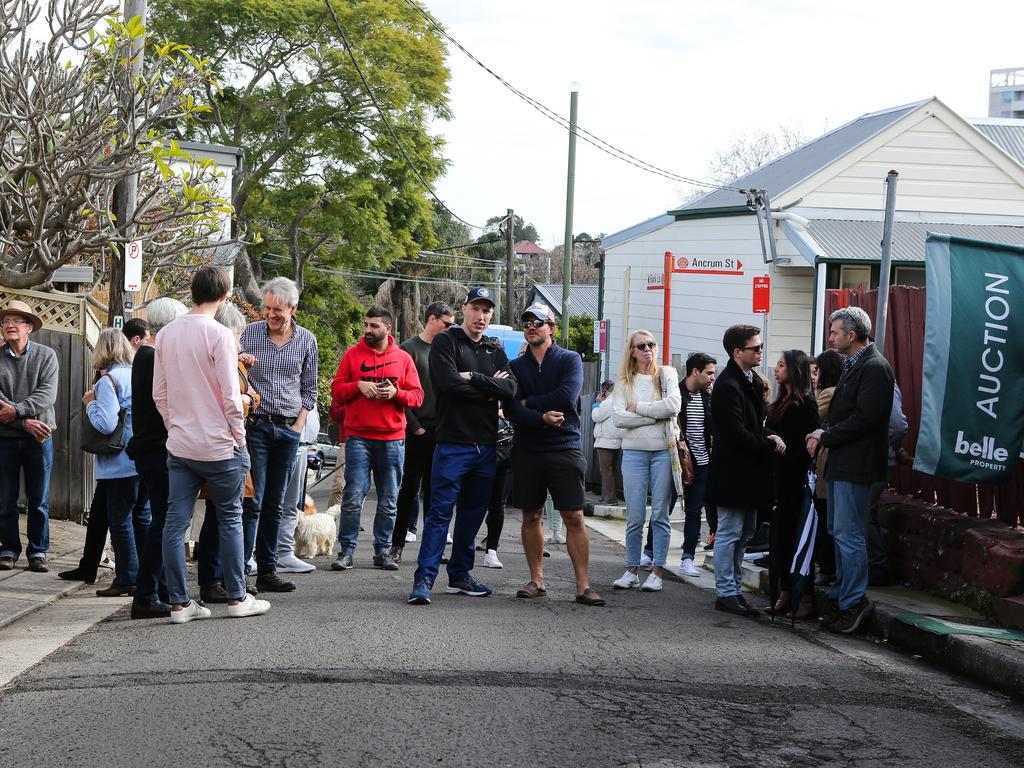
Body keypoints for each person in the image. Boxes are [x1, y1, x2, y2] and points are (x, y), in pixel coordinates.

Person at [155, 265, 269, 623]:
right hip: (220, 444)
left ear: (192, 292)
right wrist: (239, 439)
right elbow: (232, 397)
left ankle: (179, 603)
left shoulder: (166, 334)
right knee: (231, 518)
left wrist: (175, 426)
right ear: (224, 296)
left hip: (181, 444)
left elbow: (159, 394)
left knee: (175, 523)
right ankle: (237, 597)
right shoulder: (221, 334)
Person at [408, 287, 516, 605]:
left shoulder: (495, 349)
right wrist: (488, 388)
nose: (480, 316)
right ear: (464, 309)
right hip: (452, 443)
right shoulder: (447, 341)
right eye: (475, 309)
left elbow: (510, 388)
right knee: (440, 514)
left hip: (485, 446)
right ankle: (424, 579)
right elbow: (448, 384)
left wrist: (476, 379)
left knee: (472, 515)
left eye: (487, 311)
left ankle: (460, 575)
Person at [505, 303, 604, 606]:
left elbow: (566, 395)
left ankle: (583, 586)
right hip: (527, 449)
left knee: (573, 516)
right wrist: (539, 417)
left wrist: (526, 402)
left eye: (539, 322)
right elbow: (510, 409)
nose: (532, 326)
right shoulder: (515, 366)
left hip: (564, 448)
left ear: (552, 328)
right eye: (527, 322)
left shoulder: (570, 359)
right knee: (531, 514)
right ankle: (536, 580)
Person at [807, 306, 894, 634]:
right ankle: (843, 596)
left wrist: (825, 434)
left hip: (857, 465)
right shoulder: (853, 364)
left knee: (850, 533)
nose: (830, 337)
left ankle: (854, 602)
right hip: (842, 463)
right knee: (838, 531)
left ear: (852, 335)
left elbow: (866, 418)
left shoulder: (874, 368)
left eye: (835, 332)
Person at [240, 277, 319, 593]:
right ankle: (244, 569)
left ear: (293, 308)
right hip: (256, 426)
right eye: (267, 308)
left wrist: (299, 424)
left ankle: (268, 571)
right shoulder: (249, 334)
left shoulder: (307, 340)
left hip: (288, 429)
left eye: (278, 310)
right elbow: (234, 374)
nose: (271, 315)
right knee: (252, 501)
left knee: (275, 504)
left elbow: (309, 389)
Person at [330, 306, 423, 571]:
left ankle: (382, 552)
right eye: (366, 325)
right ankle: (345, 552)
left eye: (374, 326)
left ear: (387, 328)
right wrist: (357, 386)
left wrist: (396, 393)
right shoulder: (352, 355)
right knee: (352, 495)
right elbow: (336, 389)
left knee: (388, 499)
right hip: (358, 436)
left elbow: (418, 396)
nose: (368, 330)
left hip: (393, 438)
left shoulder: (403, 358)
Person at [709, 324, 786, 616]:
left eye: (761, 346)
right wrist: (767, 443)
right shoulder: (728, 384)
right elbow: (734, 433)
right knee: (729, 530)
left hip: (750, 471)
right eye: (755, 348)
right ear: (737, 352)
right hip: (732, 471)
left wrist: (766, 437)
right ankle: (725, 591)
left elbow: (754, 424)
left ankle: (734, 589)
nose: (760, 352)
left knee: (745, 532)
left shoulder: (751, 380)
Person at [194, 302, 269, 600]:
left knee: (223, 514)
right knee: (224, 515)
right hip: (227, 443)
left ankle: (220, 579)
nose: (240, 336)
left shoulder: (230, 358)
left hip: (224, 441)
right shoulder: (221, 358)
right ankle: (219, 581)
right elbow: (237, 401)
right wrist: (250, 398)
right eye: (238, 331)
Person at [122, 298, 188, 619]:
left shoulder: (146, 355)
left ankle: (161, 590)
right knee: (164, 521)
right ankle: (145, 594)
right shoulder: (153, 356)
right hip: (156, 449)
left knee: (161, 518)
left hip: (150, 449)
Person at [611, 329, 681, 594]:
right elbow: (618, 418)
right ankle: (631, 569)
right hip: (634, 452)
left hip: (663, 449)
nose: (647, 349)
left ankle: (657, 571)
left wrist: (639, 409)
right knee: (635, 515)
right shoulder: (623, 383)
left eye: (651, 344)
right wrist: (655, 415)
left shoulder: (667, 374)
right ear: (632, 351)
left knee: (661, 514)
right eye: (641, 346)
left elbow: (673, 406)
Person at [79, 329, 146, 598]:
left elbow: (106, 424)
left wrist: (90, 404)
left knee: (120, 521)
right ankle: (144, 575)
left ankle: (127, 577)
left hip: (118, 460)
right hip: (141, 456)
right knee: (142, 517)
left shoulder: (108, 381)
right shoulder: (138, 375)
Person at [390, 302, 455, 562]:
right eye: (446, 324)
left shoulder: (448, 350)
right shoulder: (409, 350)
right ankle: (396, 546)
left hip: (443, 430)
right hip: (416, 429)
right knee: (409, 490)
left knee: (436, 492)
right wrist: (413, 425)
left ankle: (433, 549)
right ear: (432, 319)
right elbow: (396, 393)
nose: (450, 329)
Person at [0, 300, 58, 572]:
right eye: (5, 321)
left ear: (29, 327)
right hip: (6, 437)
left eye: (16, 321)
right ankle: (9, 549)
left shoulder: (47, 356)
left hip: (40, 437)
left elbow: (47, 395)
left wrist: (17, 411)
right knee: (5, 497)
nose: (9, 325)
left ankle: (38, 551)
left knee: (39, 499)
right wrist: (23, 423)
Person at [764, 349, 819, 618]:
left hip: (794, 479)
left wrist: (785, 454)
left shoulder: (806, 404)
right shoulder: (780, 401)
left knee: (795, 538)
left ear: (795, 370)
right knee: (780, 539)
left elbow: (806, 445)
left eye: (782, 365)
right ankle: (785, 591)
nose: (776, 369)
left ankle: (804, 595)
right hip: (777, 478)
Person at [675, 352, 716, 578]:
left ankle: (688, 558)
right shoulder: (676, 394)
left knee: (694, 512)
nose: (712, 377)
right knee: (663, 507)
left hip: (701, 463)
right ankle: (650, 552)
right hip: (676, 463)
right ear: (695, 372)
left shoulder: (708, 398)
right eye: (709, 372)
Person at [811, 349, 844, 587]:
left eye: (817, 370)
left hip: (827, 461)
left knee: (825, 517)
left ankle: (828, 567)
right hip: (827, 461)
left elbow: (813, 416)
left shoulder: (828, 394)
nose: (815, 375)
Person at [592, 380, 623, 505]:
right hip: (615, 440)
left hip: (606, 440)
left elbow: (596, 416)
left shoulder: (609, 401)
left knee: (606, 470)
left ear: (604, 390)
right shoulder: (618, 400)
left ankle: (610, 499)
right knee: (612, 470)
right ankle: (608, 496)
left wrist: (597, 404)